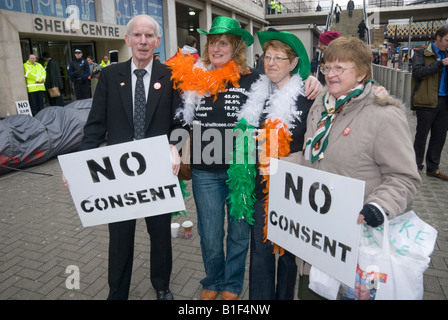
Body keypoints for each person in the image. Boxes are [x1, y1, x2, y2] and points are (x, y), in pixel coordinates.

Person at [165, 16, 321, 300]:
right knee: (210, 234)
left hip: (243, 172)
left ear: (235, 46)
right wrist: (175, 145)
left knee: (238, 235)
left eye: (223, 43)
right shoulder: (191, 80)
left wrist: (311, 79)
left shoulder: (254, 80)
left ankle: (233, 285)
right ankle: (213, 279)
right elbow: (179, 120)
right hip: (204, 171)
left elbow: (285, 84)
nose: (216, 48)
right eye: (212, 42)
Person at [63, 14, 182, 300]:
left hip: (157, 171)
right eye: (137, 36)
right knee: (120, 238)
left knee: (160, 235)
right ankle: (117, 291)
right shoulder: (109, 76)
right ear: (127, 40)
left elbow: (181, 122)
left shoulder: (171, 77)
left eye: (149, 36)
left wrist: (176, 145)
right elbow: (94, 127)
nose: (143, 42)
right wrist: (78, 168)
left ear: (157, 41)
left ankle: (162, 286)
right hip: (118, 174)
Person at [296, 36, 421, 299]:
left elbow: (404, 177)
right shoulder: (320, 106)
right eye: (327, 67)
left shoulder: (383, 114)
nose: (330, 74)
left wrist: (379, 206)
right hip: (317, 239)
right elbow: (311, 159)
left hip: (358, 243)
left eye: (340, 68)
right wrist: (277, 170)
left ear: (362, 72)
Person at [232, 29, 315, 300]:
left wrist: (319, 83)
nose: (271, 63)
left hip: (293, 189)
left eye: (279, 58)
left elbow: (337, 101)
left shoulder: (308, 95)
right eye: (267, 57)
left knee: (290, 255)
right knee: (261, 250)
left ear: (293, 64)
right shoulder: (257, 90)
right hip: (260, 185)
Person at [411, 25, 448, 180]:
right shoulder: (421, 53)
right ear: (438, 37)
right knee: (422, 135)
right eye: (447, 40)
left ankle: (433, 168)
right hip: (426, 101)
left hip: (444, 101)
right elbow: (418, 72)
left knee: (439, 136)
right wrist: (440, 63)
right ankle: (416, 166)